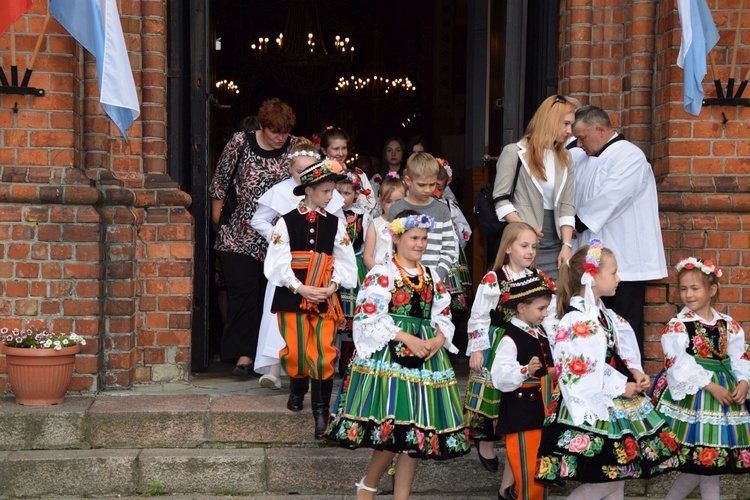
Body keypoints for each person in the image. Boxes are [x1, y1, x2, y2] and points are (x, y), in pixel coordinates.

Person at [325, 211, 470, 499]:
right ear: (396, 238)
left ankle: (401, 496)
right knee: (395, 427)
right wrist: (406, 337)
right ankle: (367, 486)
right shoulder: (383, 272)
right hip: (391, 357)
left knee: (416, 431)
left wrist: (438, 339)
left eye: (424, 239)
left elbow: (442, 311)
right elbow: (369, 314)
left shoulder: (429, 275)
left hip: (426, 358)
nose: (420, 244)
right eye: (414, 238)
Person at [535, 241, 679, 499]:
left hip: (613, 403)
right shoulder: (578, 319)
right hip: (593, 405)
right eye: (613, 272)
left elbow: (620, 343)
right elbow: (582, 368)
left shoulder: (602, 314)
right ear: (592, 276)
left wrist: (635, 371)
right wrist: (620, 386)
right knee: (605, 482)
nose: (618, 278)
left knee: (618, 477)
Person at [263, 158, 357, 439]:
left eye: (332, 191)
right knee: (296, 351)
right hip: (293, 295)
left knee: (323, 352)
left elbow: (344, 259)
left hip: (324, 295)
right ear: (309, 191)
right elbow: (277, 262)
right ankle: (297, 389)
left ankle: (321, 412)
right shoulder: (286, 222)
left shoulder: (335, 224)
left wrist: (332, 286)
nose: (331, 197)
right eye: (326, 192)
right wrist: (299, 287)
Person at [209, 97, 297, 377]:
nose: (280, 137)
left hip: (279, 234)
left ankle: (270, 359)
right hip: (238, 233)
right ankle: (244, 354)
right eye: (275, 131)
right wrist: (218, 220)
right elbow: (220, 182)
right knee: (243, 294)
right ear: (262, 125)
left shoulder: (296, 147)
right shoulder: (240, 142)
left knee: (273, 296)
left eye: (284, 132)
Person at [651, 258, 750, 499]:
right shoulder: (679, 326)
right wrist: (710, 386)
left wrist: (744, 382)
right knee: (705, 466)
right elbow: (676, 361)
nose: (688, 294)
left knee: (707, 465)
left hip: (724, 400)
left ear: (712, 290)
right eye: (683, 288)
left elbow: (740, 357)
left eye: (695, 288)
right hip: (695, 398)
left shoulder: (729, 325)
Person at [250, 138, 345, 388]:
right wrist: (279, 239)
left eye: (309, 170)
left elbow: (339, 233)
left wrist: (335, 279)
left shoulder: (327, 195)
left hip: (319, 274)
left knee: (318, 327)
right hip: (289, 273)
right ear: (290, 169)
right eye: (298, 171)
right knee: (283, 321)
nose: (304, 175)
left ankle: (316, 374)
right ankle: (275, 368)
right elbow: (259, 220)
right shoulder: (281, 192)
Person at [570, 104, 667, 351]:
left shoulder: (629, 156)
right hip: (592, 253)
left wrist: (575, 223)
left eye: (582, 138)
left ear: (600, 130)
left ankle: (628, 382)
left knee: (622, 325)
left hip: (623, 260)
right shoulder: (584, 157)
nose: (579, 144)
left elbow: (611, 197)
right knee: (593, 320)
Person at [464, 222, 538, 489]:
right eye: (523, 246)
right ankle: (485, 440)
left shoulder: (538, 277)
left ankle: (513, 441)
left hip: (525, 342)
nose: (530, 251)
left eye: (533, 246)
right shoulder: (494, 278)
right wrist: (478, 347)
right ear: (508, 248)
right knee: (493, 393)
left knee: (517, 395)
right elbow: (480, 314)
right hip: (498, 339)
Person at [492, 94, 578, 281]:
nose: (569, 131)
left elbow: (567, 205)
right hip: (523, 243)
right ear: (549, 120)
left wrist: (566, 245)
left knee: (555, 302)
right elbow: (500, 198)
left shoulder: (566, 158)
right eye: (565, 124)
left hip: (556, 245)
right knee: (524, 302)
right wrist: (524, 228)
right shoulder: (514, 152)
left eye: (571, 125)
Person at [491, 269, 556, 500]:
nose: (545, 314)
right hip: (521, 416)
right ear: (521, 307)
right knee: (529, 472)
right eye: (541, 308)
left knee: (540, 470)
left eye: (546, 308)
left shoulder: (539, 332)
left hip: (540, 413)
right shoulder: (511, 338)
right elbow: (498, 376)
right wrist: (524, 370)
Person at [387, 152, 458, 282]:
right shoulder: (397, 209)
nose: (427, 190)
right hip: (401, 281)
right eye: (422, 185)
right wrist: (399, 276)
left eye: (432, 185)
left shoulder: (442, 210)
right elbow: (389, 246)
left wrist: (436, 277)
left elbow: (449, 249)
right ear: (408, 181)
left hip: (434, 281)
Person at [336, 169, 367, 376]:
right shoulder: (330, 214)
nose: (342, 197)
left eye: (347, 193)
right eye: (338, 192)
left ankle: (349, 358)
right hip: (335, 265)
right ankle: (332, 356)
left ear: (355, 195)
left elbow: (365, 242)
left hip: (355, 265)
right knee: (336, 314)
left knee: (352, 314)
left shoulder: (361, 216)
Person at [319, 126, 377, 214]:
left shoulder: (358, 174)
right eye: (336, 149)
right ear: (324, 150)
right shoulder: (316, 174)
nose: (341, 153)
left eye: (344, 148)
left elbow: (370, 203)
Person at [435, 158, 469, 310]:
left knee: (450, 295)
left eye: (441, 188)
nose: (437, 192)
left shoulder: (450, 205)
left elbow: (465, 228)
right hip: (433, 252)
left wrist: (455, 227)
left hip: (450, 252)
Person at [362, 174, 405, 271]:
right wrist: (380, 273)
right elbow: (367, 257)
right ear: (381, 200)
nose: (394, 206)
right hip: (380, 276)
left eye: (398, 201)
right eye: (389, 201)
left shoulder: (408, 223)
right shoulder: (375, 224)